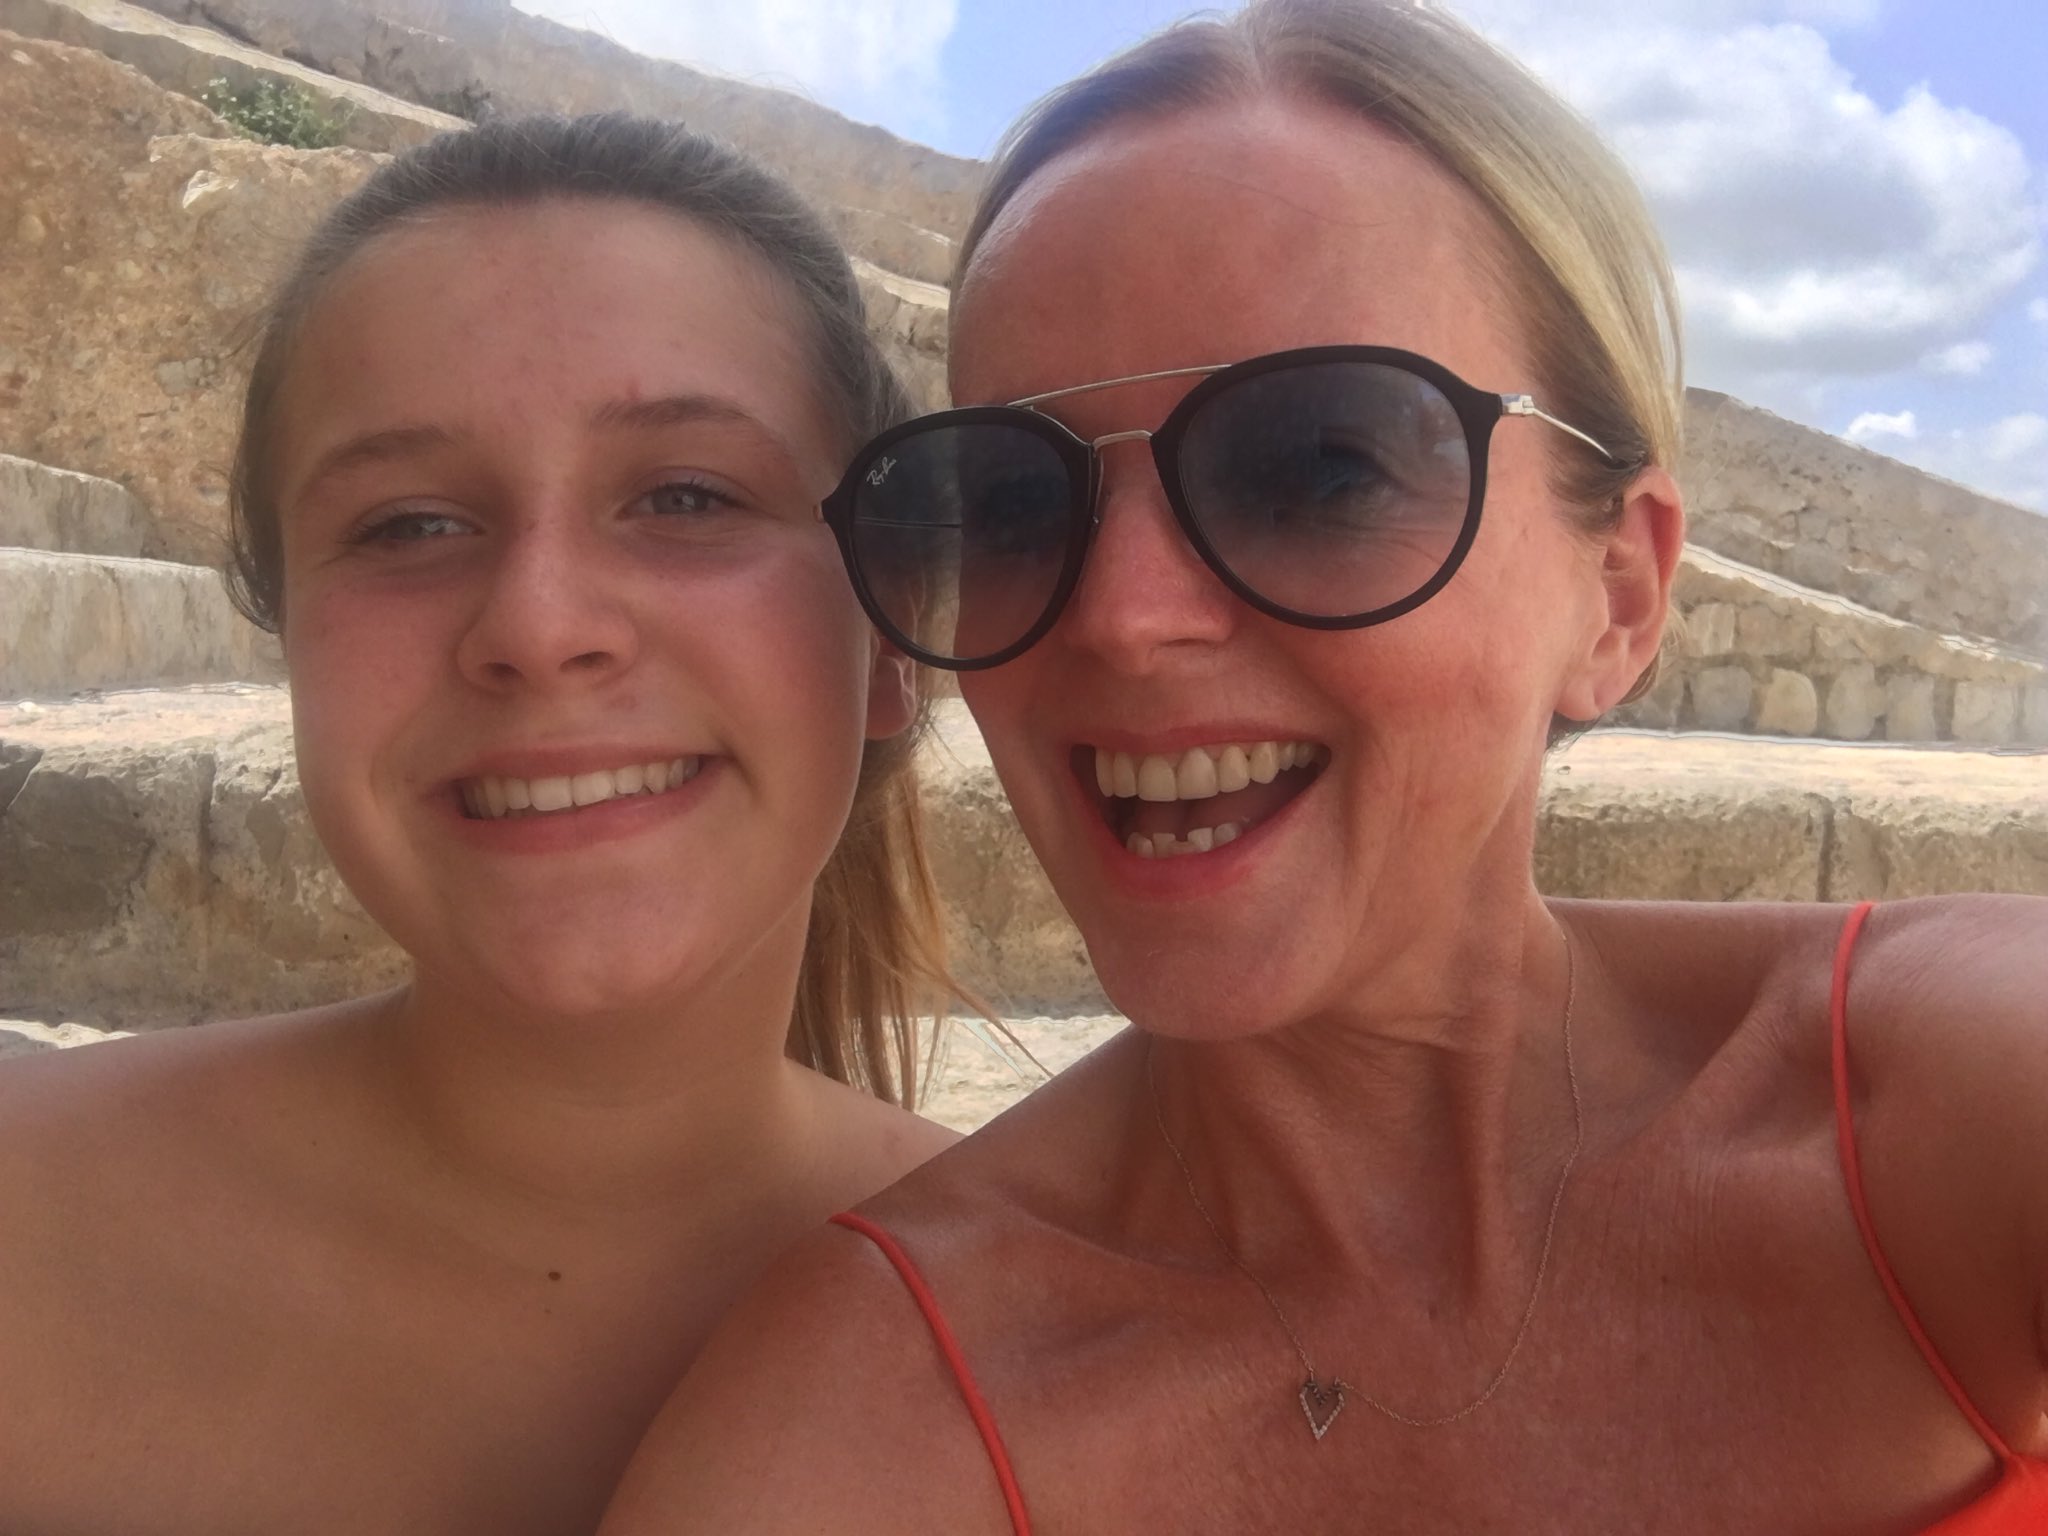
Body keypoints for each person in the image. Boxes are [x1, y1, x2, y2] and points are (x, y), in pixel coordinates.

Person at [601, 3, 2048, 1531]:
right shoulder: (863, 1424)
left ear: (1618, 595)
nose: (1124, 619)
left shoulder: (1946, 1097)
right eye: (1015, 501)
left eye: (1322, 466)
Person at [0, 114, 970, 1535]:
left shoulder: (1067, 1338)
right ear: (289, 634)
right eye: (408, 526)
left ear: (891, 634)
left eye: (687, 495)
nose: (538, 625)